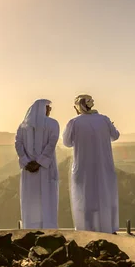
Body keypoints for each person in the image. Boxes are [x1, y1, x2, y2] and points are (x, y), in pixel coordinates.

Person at [62, 94, 120, 233]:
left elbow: (67, 142)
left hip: (83, 166)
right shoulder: (104, 120)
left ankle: (86, 229)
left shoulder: (74, 122)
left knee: (84, 197)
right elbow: (115, 136)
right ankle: (107, 227)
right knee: (104, 194)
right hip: (104, 165)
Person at [14, 99, 60, 229]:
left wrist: (26, 162)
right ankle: (48, 228)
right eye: (48, 107)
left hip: (29, 170)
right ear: (42, 109)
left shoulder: (23, 126)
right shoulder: (53, 124)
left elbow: (18, 144)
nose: (50, 110)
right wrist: (39, 162)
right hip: (46, 169)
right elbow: (51, 144)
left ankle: (31, 228)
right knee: (46, 199)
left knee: (31, 199)